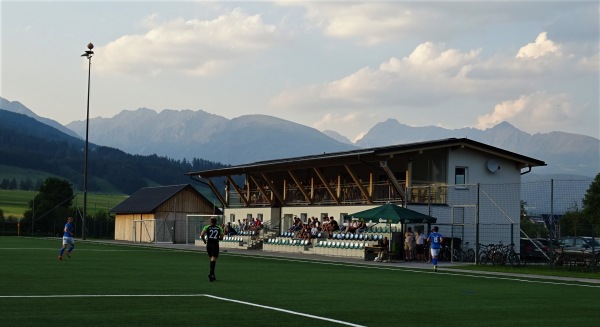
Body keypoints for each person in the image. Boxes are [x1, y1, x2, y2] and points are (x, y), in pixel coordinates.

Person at [200, 217, 224, 282]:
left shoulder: (206, 227)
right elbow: (221, 237)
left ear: (210, 222)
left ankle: (213, 274)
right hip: (215, 244)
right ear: (216, 222)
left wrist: (204, 241)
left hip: (209, 244)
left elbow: (202, 234)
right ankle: (211, 273)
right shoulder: (219, 228)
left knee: (211, 258)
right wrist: (218, 238)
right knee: (213, 258)